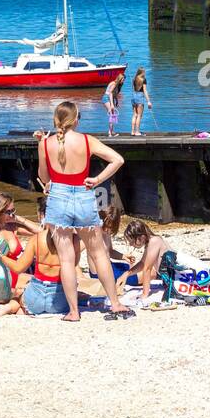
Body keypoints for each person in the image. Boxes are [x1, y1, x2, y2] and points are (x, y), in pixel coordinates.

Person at [38, 101, 131, 321]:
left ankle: (73, 312)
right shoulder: (87, 141)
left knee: (67, 259)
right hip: (83, 193)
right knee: (99, 253)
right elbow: (118, 159)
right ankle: (115, 303)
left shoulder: (45, 143)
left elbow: (43, 177)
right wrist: (97, 179)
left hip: (58, 196)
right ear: (76, 119)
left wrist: (50, 182)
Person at [118, 219, 204, 298]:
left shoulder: (154, 241)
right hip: (175, 278)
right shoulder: (151, 243)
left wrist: (144, 294)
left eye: (132, 241)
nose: (131, 244)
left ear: (142, 237)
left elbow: (147, 269)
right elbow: (142, 263)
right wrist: (127, 274)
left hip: (184, 277)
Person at [130, 67, 152, 136]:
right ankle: (137, 132)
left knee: (134, 115)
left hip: (133, 96)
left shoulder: (134, 79)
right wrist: (148, 101)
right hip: (140, 96)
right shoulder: (143, 80)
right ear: (142, 72)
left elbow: (133, 89)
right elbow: (145, 91)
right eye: (144, 72)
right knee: (139, 115)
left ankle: (132, 131)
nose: (145, 73)